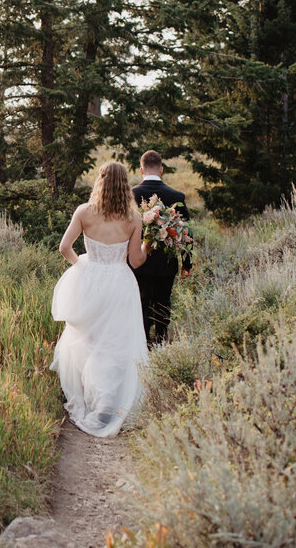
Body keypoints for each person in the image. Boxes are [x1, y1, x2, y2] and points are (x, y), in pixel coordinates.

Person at [50, 160, 150, 437]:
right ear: (125, 185)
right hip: (120, 283)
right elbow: (136, 261)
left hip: (90, 281)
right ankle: (109, 401)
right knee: (116, 343)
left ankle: (93, 395)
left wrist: (81, 266)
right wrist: (148, 244)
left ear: (100, 181)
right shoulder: (134, 218)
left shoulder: (84, 212)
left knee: (90, 340)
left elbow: (64, 247)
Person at [131, 150, 190, 345]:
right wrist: (186, 265)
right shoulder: (176, 196)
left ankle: (144, 345)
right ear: (161, 169)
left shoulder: (132, 195)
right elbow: (187, 234)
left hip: (138, 262)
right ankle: (162, 343)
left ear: (141, 170)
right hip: (167, 262)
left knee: (142, 304)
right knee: (163, 303)